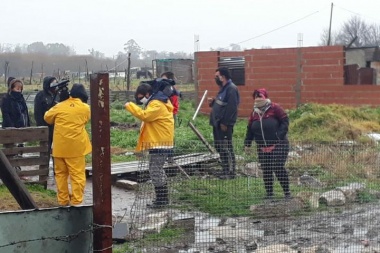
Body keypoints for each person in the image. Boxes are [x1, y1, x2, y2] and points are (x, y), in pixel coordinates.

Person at [125, 82, 174, 208]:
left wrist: (130, 106)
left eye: (141, 97)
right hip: (160, 141)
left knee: (155, 170)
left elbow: (145, 116)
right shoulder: (159, 101)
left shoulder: (156, 104)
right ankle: (162, 199)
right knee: (157, 170)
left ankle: (162, 200)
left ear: (148, 94)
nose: (140, 100)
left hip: (160, 143)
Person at [44, 83, 91, 206]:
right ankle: (76, 201)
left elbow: (47, 118)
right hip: (76, 148)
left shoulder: (59, 106)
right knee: (77, 175)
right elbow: (86, 119)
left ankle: (63, 200)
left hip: (59, 148)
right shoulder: (85, 107)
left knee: (60, 175)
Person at [244, 88, 291, 200]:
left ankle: (287, 193)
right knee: (267, 169)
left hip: (279, 144)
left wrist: (278, 136)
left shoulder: (275, 108)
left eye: (260, 96)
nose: (258, 98)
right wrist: (247, 143)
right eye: (256, 96)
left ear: (265, 97)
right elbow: (250, 129)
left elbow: (285, 122)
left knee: (278, 167)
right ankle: (269, 193)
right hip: (263, 147)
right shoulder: (254, 113)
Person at [208, 67, 240, 179]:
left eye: (217, 76)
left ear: (223, 77)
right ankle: (225, 169)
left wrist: (225, 123)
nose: (215, 78)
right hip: (217, 123)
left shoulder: (231, 89)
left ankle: (231, 172)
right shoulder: (223, 88)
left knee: (226, 147)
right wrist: (213, 102)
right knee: (220, 146)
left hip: (224, 125)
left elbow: (232, 108)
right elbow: (222, 104)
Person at [34, 76, 60, 152]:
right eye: (52, 83)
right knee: (45, 149)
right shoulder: (41, 95)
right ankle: (44, 163)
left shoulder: (58, 95)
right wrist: (41, 126)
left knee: (56, 150)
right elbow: (37, 112)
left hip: (56, 127)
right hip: (45, 125)